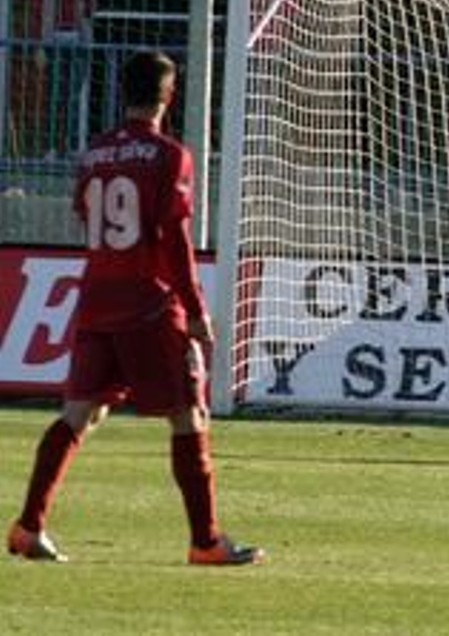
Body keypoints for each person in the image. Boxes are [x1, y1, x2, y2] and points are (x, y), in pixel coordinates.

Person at [7, 51, 265, 563]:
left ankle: (28, 526)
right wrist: (194, 309)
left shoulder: (94, 154)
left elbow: (85, 214)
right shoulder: (172, 155)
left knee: (79, 412)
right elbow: (174, 238)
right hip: (147, 302)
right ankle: (206, 541)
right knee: (190, 415)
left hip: (97, 296)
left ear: (123, 93)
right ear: (169, 96)